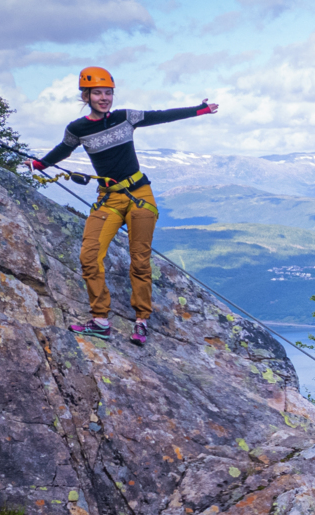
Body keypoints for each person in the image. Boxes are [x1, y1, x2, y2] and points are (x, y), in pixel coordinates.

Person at [33, 66, 218, 345]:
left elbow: (160, 116)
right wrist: (38, 164)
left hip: (139, 194)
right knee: (89, 255)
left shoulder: (125, 117)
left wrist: (198, 110)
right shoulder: (77, 128)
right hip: (108, 199)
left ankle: (142, 320)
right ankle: (100, 321)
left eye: (108, 92)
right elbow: (64, 148)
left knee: (140, 260)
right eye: (98, 93)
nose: (104, 98)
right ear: (86, 95)